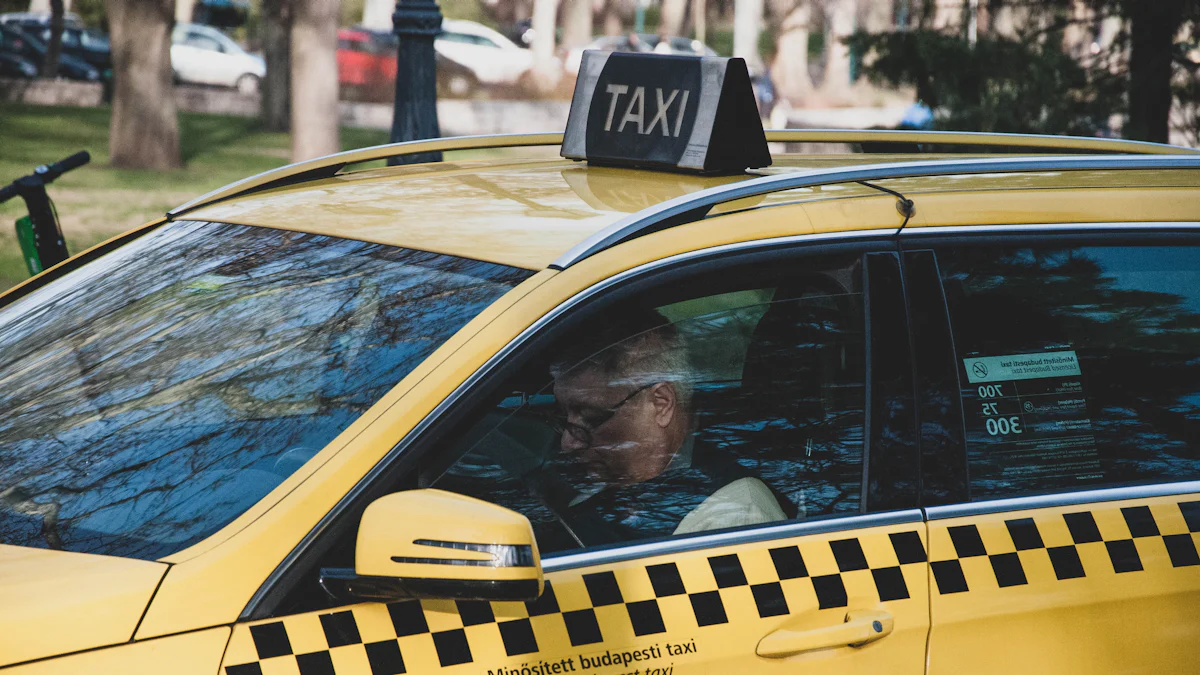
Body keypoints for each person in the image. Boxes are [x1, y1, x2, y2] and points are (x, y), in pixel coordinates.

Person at [549, 308, 788, 537]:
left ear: (661, 404)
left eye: (591, 418)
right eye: (563, 417)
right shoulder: (605, 482)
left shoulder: (733, 517)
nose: (567, 443)